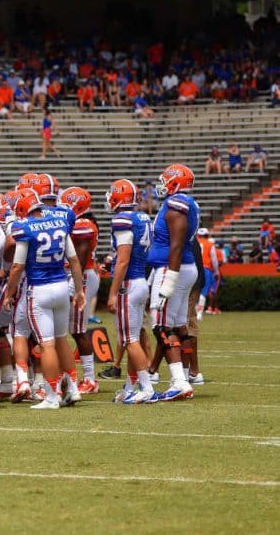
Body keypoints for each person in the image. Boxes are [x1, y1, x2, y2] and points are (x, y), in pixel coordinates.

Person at [3, 188, 86, 410]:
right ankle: (74, 389)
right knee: (61, 340)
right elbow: (75, 261)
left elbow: (18, 266)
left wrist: (10, 293)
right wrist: (79, 290)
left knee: (46, 344)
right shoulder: (59, 223)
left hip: (39, 289)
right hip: (61, 286)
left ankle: (51, 395)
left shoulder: (25, 228)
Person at [146, 164, 199, 401]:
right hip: (183, 267)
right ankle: (184, 376)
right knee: (178, 326)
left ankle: (179, 381)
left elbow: (176, 244)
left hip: (173, 267)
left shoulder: (176, 205)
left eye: (166, 180)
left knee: (161, 327)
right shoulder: (186, 203)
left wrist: (170, 277)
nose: (162, 184)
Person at [104, 179, 156, 403]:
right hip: (140, 281)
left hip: (129, 284)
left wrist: (113, 292)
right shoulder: (142, 217)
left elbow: (123, 260)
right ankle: (130, 386)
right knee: (132, 337)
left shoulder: (122, 220)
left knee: (129, 339)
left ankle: (146, 387)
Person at [60, 187, 99, 393]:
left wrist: (74, 286)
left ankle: (90, 379)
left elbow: (81, 259)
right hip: (80, 276)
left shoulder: (84, 224)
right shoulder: (82, 221)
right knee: (74, 330)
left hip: (81, 277)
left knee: (77, 330)